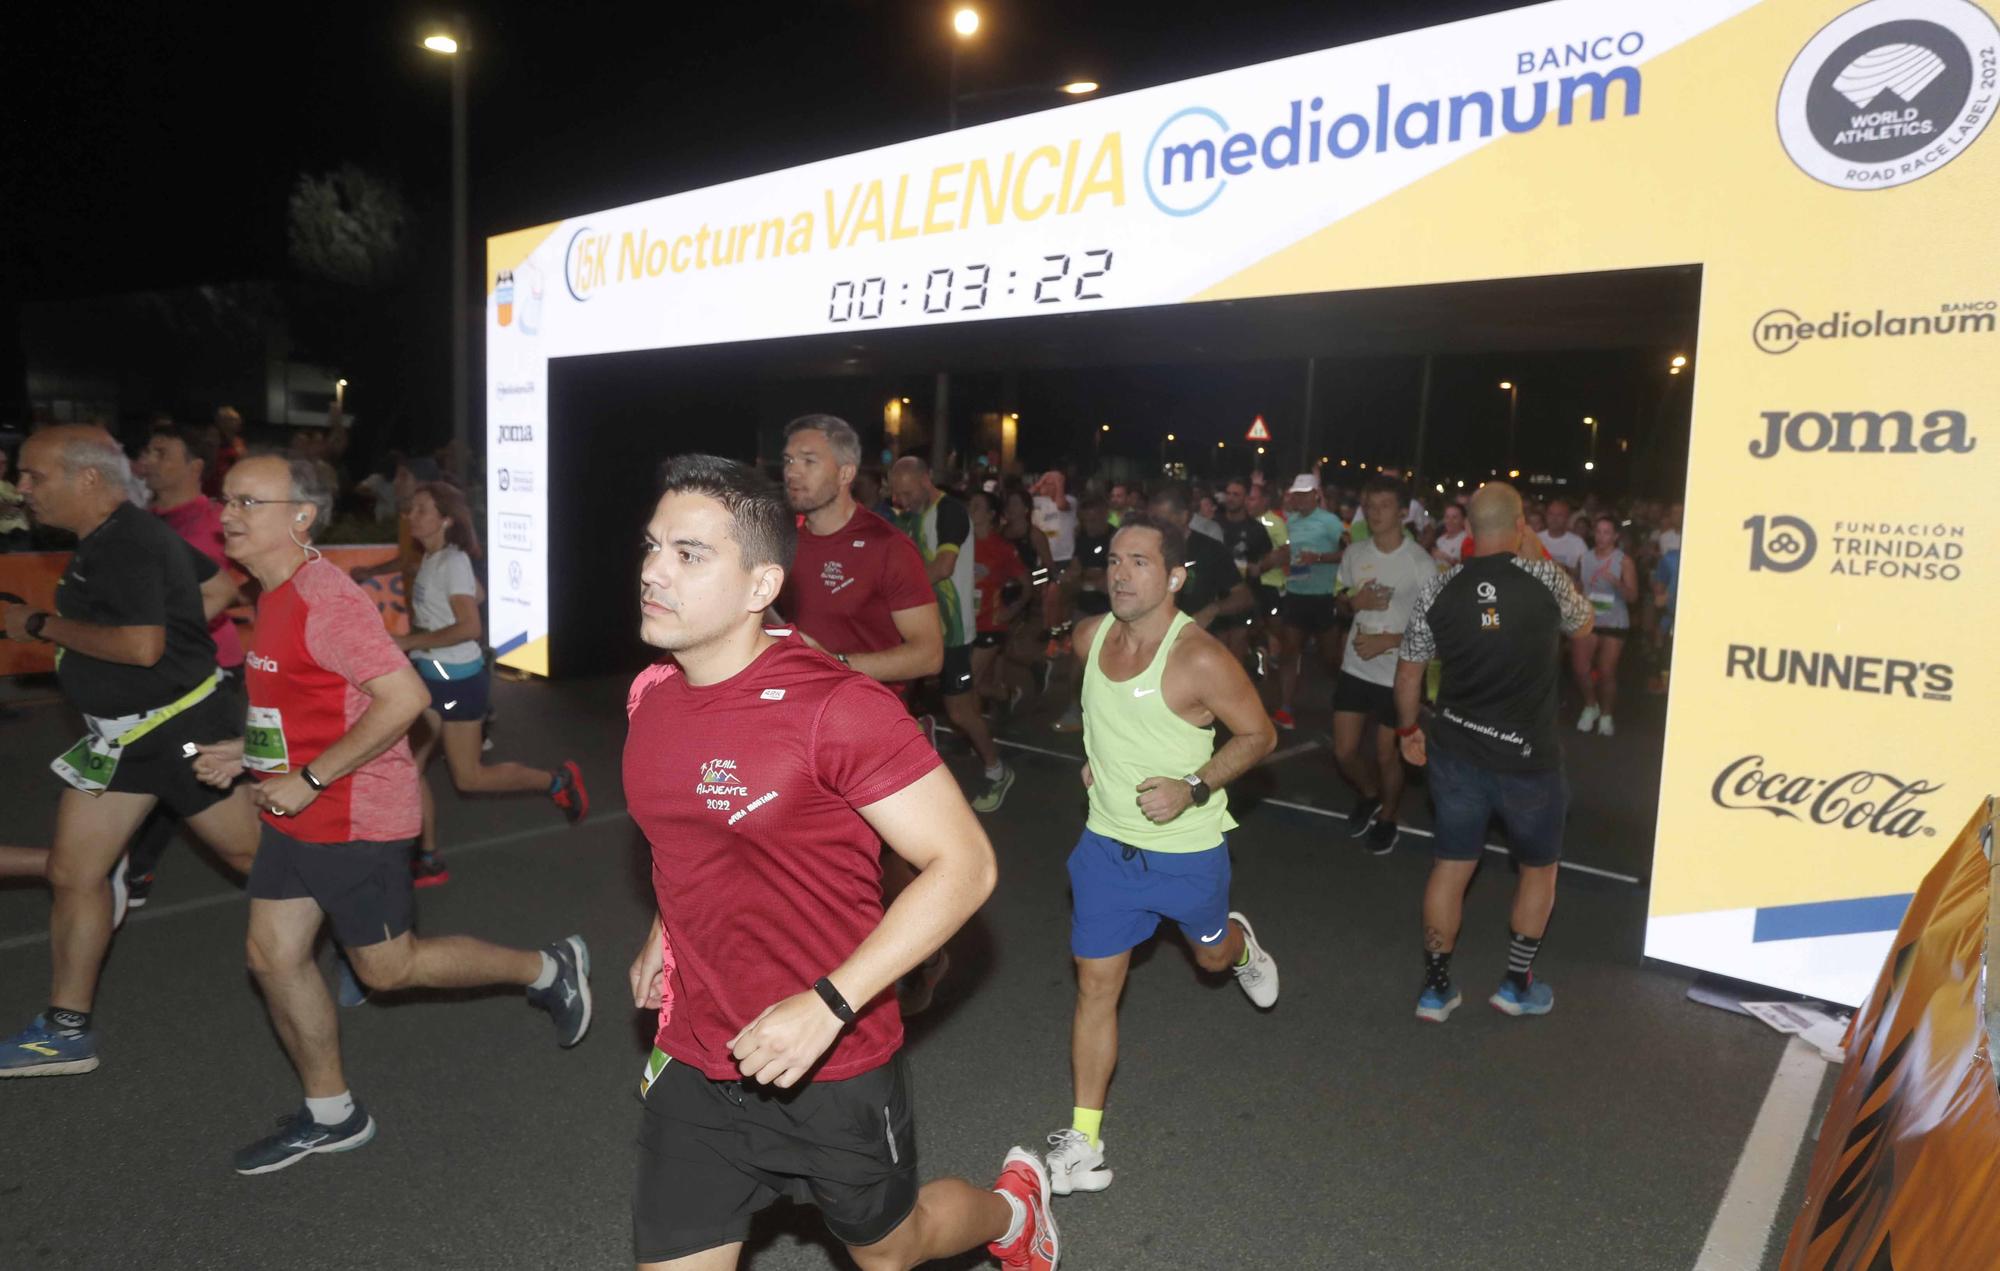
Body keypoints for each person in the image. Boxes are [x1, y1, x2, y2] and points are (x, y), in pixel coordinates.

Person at [624, 455, 1058, 1271]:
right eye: (652, 547)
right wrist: (665, 929)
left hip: (834, 1056)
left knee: (891, 1251)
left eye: (688, 554)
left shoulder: (837, 708)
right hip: (695, 1051)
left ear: (760, 586)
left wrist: (829, 1003)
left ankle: (1012, 1208)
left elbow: (965, 865)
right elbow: (687, 832)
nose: (653, 571)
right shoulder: (651, 694)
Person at [184, 455, 589, 1171]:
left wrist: (308, 777)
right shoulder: (270, 590)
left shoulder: (324, 598)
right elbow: (300, 701)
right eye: (227, 499)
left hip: (353, 817)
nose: (229, 514)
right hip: (297, 809)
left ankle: (547, 967)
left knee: (389, 970)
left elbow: (406, 699)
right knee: (271, 956)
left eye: (250, 500)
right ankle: (333, 1112)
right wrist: (241, 751)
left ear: (301, 516)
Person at [0, 426, 259, 1077]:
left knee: (257, 858)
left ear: (87, 478)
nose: (21, 488)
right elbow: (219, 589)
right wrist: (177, 635)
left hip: (179, 735)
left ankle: (367, 927)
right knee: (72, 871)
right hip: (121, 741)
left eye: (34, 476)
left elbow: (142, 647)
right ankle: (66, 1030)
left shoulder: (125, 542)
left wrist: (35, 623)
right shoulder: (123, 534)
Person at [1043, 512, 1279, 1197]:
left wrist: (1194, 785)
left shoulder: (1199, 656)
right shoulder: (1089, 637)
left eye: (1139, 561)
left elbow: (1258, 734)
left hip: (1185, 853)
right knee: (1095, 984)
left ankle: (1242, 949)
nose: (1120, 573)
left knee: (1209, 956)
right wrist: (1097, 762)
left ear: (1175, 576)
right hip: (1105, 850)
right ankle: (1084, 1139)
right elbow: (1099, 716)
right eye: (1114, 560)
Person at [1391, 482, 1592, 1023]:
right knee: (1538, 870)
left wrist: (1407, 728)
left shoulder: (1439, 587)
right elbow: (1584, 622)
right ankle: (1515, 985)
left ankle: (1435, 989)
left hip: (1456, 752)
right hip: (1529, 760)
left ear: (1471, 530)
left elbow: (1409, 669)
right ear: (1522, 523)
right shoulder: (1547, 578)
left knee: (1452, 866)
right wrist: (1535, 554)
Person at [396, 481, 588, 884]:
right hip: (434, 675)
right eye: (411, 508)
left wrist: (410, 640)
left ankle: (557, 780)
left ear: (445, 519)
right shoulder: (437, 558)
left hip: (455, 681)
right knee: (407, 767)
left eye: (421, 509)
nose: (411, 515)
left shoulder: (449, 561)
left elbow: (469, 625)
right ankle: (428, 857)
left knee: (469, 777)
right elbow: (477, 595)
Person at [120, 424, 250, 907]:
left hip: (208, 675)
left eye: (162, 451)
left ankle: (136, 869)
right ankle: (134, 868)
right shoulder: (148, 520)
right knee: (174, 768)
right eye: (146, 449)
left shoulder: (209, 525)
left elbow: (209, 599)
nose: (148, 458)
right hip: (164, 676)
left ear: (196, 466)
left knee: (195, 770)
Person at [888, 456, 1013, 812]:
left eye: (908, 492)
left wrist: (892, 595)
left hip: (953, 632)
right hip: (917, 628)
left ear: (928, 478)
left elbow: (943, 567)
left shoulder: (951, 513)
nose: (902, 500)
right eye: (897, 493)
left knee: (960, 712)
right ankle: (915, 742)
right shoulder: (909, 515)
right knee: (894, 695)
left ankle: (997, 769)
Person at [1331, 477, 1436, 855]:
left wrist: (1389, 641)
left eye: (1385, 506)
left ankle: (1388, 816)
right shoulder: (1355, 553)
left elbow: (1436, 630)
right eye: (1370, 505)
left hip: (1399, 676)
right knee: (1343, 751)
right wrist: (1353, 603)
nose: (1376, 513)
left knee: (1386, 754)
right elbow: (1340, 601)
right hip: (1355, 667)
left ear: (1403, 512)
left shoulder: (1420, 564)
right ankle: (1370, 794)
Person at [1271, 474, 1344, 730]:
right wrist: (1284, 562)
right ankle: (1285, 708)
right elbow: (1285, 552)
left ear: (1316, 494)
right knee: (1290, 652)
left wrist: (1320, 558)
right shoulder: (1290, 522)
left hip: (1323, 597)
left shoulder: (1331, 522)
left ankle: (1345, 703)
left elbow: (1350, 551)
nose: (1299, 498)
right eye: (1296, 494)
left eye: (1304, 494)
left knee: (1329, 659)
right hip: (1295, 595)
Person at [1145, 483, 1248, 628]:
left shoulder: (1211, 550)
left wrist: (1212, 610)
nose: (1157, 527)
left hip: (1195, 637)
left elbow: (1242, 596)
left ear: (1184, 516)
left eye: (1163, 521)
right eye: (1153, 521)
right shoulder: (1145, 548)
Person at [1572, 514, 1639, 737]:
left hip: (1614, 620)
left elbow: (1632, 597)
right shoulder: (1585, 558)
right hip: (1589, 618)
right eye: (1598, 532)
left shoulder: (1624, 561)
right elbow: (1579, 587)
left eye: (1607, 532)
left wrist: (1618, 583)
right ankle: (1591, 706)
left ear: (1615, 536)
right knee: (1581, 667)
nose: (1601, 537)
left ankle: (1607, 715)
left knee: (1606, 671)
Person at [969, 489, 1031, 710]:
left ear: (990, 514)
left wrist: (1013, 610)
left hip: (991, 624)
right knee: (971, 684)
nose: (971, 510)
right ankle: (1005, 694)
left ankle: (974, 734)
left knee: (967, 682)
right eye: (970, 505)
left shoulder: (1002, 548)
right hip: (965, 624)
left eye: (977, 507)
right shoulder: (961, 545)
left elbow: (1027, 584)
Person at [1213, 478, 1274, 663]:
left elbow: (1267, 558)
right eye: (1228, 494)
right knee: (1219, 654)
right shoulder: (1214, 525)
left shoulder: (1256, 529)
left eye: (1236, 494)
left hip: (1245, 598)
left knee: (1236, 655)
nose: (1230, 498)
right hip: (1217, 598)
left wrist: (1260, 567)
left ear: (1245, 498)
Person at [1538, 498, 1586, 580]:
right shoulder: (1536, 539)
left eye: (1559, 515)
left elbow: (1585, 573)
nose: (1554, 519)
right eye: (1551, 514)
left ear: (1567, 518)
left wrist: (1566, 569)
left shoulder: (1578, 543)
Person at [1431, 502, 1470, 569]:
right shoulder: (1440, 540)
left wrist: (1447, 559)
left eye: (1454, 517)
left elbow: (1469, 568)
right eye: (1447, 517)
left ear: (1463, 520)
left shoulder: (1466, 540)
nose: (1450, 521)